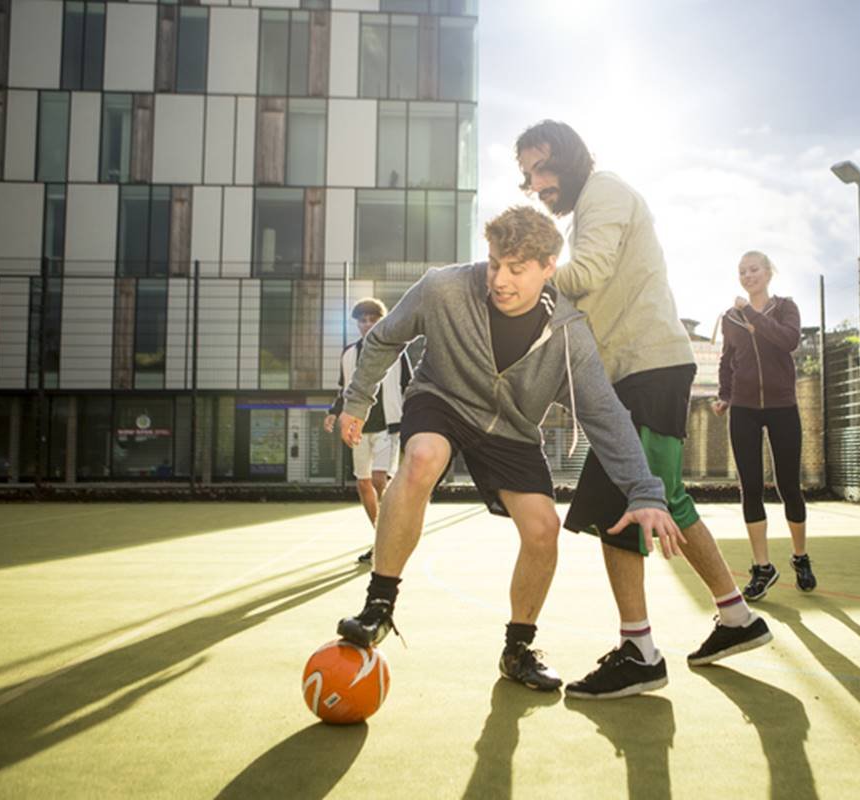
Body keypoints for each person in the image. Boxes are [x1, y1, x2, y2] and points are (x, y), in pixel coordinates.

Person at [334, 206, 684, 693]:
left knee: (543, 529)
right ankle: (379, 607)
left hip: (512, 430)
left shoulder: (569, 336)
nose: (499, 279)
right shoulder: (444, 288)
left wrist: (645, 492)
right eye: (495, 263)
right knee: (421, 459)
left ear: (548, 266)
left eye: (516, 269)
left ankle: (518, 649)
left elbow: (605, 415)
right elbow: (385, 338)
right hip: (444, 399)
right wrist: (357, 400)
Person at [515, 120, 773, 700]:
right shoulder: (587, 211)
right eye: (528, 175)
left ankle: (640, 651)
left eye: (543, 167)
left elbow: (590, 274)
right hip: (637, 370)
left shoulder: (604, 193)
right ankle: (737, 619)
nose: (536, 183)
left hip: (648, 368)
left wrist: (518, 277)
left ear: (572, 158)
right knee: (666, 497)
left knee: (620, 504)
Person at [713, 251, 817, 600]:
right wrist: (725, 395)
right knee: (751, 487)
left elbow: (788, 341)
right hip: (744, 409)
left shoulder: (786, 307)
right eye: (741, 271)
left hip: (782, 407)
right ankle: (762, 567)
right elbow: (728, 360)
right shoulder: (730, 318)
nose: (747, 275)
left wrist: (752, 314)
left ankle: (800, 557)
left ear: (768, 272)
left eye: (753, 269)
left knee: (789, 485)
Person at [324, 298, 411, 564]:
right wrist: (333, 412)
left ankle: (387, 540)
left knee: (378, 480)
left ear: (381, 321)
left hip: (389, 427)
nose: (367, 324)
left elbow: (409, 386)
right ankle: (379, 539)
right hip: (357, 428)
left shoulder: (397, 351)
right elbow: (345, 390)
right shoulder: (349, 353)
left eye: (373, 319)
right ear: (357, 324)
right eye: (363, 320)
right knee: (363, 484)